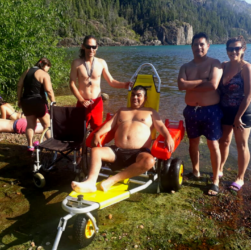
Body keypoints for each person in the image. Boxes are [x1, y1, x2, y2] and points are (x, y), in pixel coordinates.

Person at [71, 85, 174, 193]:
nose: (135, 97)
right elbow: (110, 125)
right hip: (117, 150)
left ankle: (112, 180)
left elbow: (161, 126)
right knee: (96, 151)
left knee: (149, 161)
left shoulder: (151, 112)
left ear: (145, 98)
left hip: (139, 153)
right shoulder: (122, 110)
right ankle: (91, 182)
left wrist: (168, 137)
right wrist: (98, 134)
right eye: (133, 95)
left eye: (139, 95)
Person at [177, 32, 223, 196]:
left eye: (202, 44)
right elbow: (180, 85)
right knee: (193, 142)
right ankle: (195, 171)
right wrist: (203, 81)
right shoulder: (185, 67)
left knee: (213, 145)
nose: (199, 47)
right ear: (191, 47)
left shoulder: (214, 63)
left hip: (210, 110)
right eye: (196, 44)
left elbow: (213, 85)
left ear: (208, 46)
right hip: (191, 111)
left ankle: (215, 180)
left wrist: (191, 84)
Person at [69, 35, 131, 131]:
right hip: (82, 103)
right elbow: (72, 84)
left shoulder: (101, 63)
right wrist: (81, 100)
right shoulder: (77, 63)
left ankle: (93, 146)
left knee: (97, 131)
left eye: (93, 47)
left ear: (97, 47)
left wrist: (124, 85)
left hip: (97, 103)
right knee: (79, 131)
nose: (91, 50)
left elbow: (111, 81)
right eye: (88, 47)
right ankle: (81, 146)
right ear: (83, 46)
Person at [218, 36, 251, 192]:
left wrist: (238, 117)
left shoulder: (246, 68)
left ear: (243, 49)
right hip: (225, 110)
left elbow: (249, 96)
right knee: (223, 141)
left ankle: (240, 177)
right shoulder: (223, 66)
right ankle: (219, 169)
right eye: (230, 49)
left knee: (241, 145)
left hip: (242, 112)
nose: (233, 51)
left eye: (237, 48)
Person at [17, 57, 55, 151]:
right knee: (46, 125)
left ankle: (30, 146)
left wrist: (19, 99)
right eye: (47, 68)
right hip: (38, 102)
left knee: (30, 125)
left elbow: (19, 86)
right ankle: (50, 145)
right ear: (44, 65)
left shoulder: (26, 71)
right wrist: (53, 102)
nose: (47, 70)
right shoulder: (43, 74)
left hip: (26, 101)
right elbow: (49, 90)